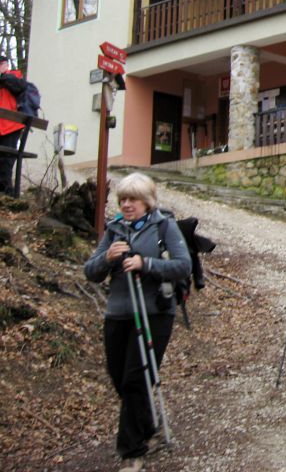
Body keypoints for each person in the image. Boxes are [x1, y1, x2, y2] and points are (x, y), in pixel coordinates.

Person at [84, 173, 191, 472]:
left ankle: (132, 450)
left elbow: (183, 265)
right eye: (123, 200)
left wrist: (147, 264)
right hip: (118, 311)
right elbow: (90, 271)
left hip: (155, 311)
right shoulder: (114, 229)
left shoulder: (164, 226)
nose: (127, 205)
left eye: (133, 199)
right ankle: (147, 427)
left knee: (136, 377)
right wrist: (107, 257)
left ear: (147, 201)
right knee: (119, 376)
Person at [0, 55, 27, 195]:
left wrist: (3, 75)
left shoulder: (13, 76)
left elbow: (20, 87)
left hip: (11, 127)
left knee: (6, 161)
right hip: (2, 126)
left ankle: (8, 193)